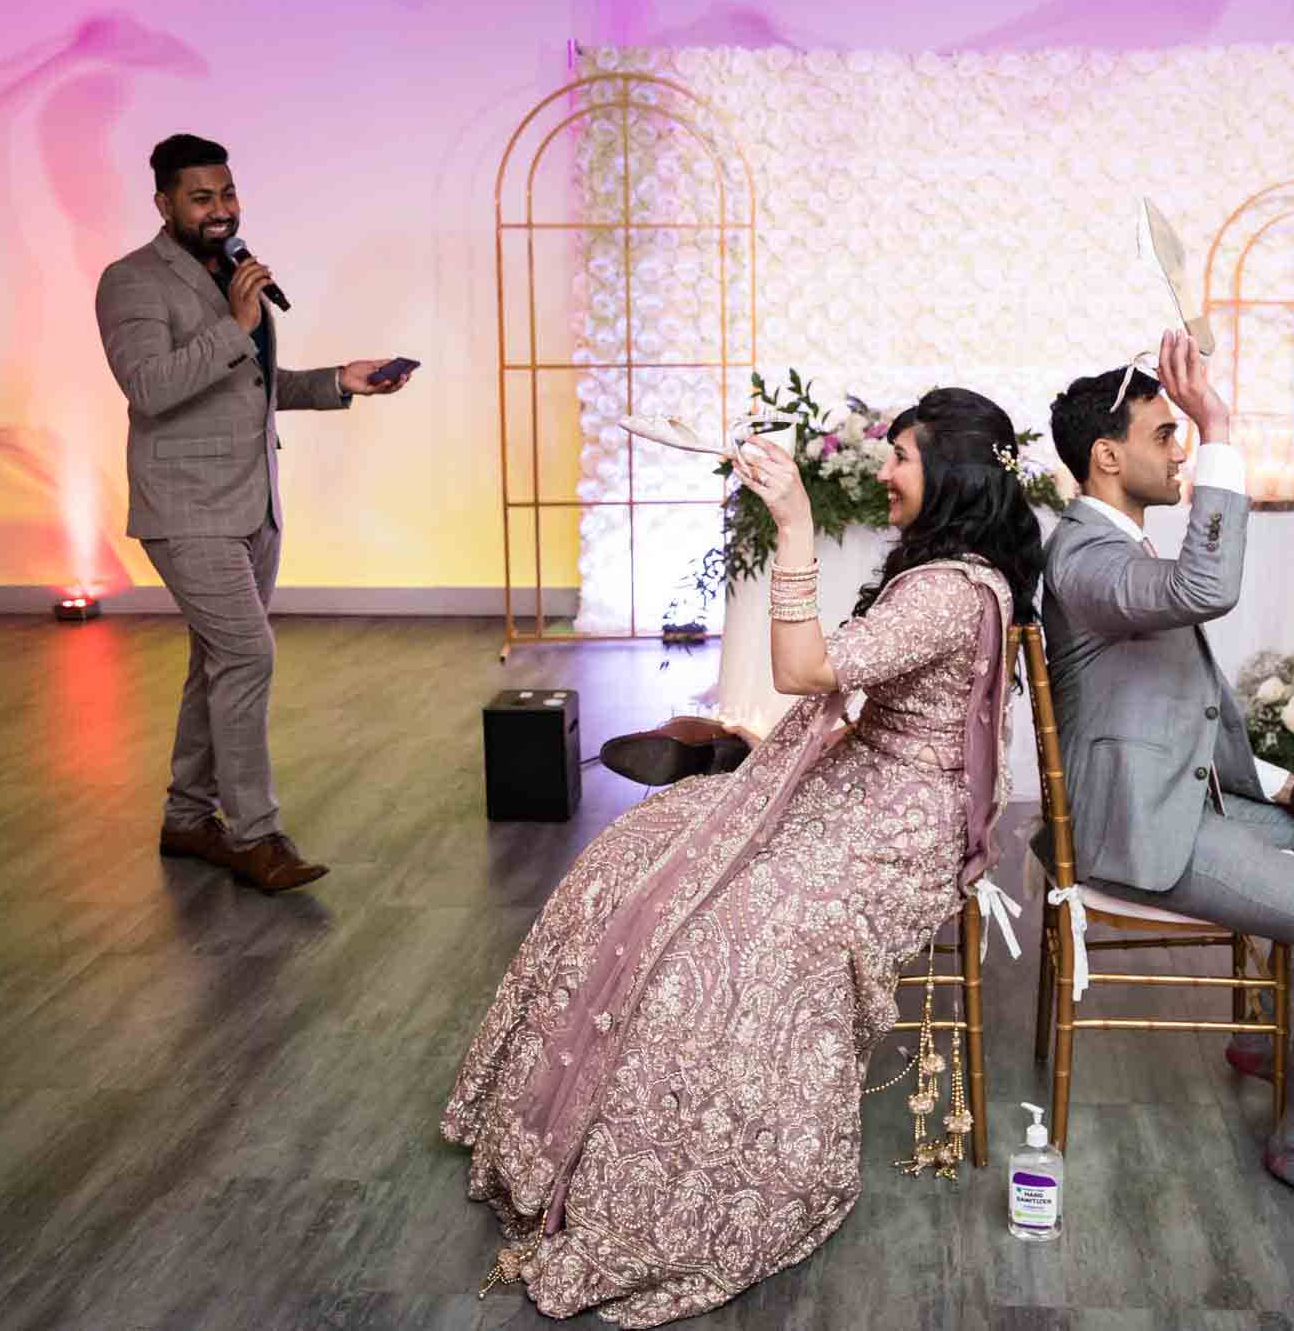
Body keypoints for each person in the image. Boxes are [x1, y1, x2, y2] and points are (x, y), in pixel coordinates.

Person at [443, 388, 1044, 1324]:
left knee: (727, 932)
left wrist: (797, 520)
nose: (885, 472)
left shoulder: (951, 591)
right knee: (640, 849)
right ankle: (565, 1125)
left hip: (895, 827)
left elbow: (804, 673)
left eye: (902, 459)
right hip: (858, 786)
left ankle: (675, 1181)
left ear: (954, 479)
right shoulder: (954, 574)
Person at [1039, 331, 1294, 1229]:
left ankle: (1272, 1035)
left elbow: (1189, 708)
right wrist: (1221, 424)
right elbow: (1208, 585)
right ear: (1107, 456)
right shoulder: (1086, 560)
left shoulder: (1118, 547)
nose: (1181, 451)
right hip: (1137, 830)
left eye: (1184, 435)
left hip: (1184, 798)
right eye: (1166, 435)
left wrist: (1293, 790)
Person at [93, 134, 412, 892]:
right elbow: (151, 385)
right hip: (186, 508)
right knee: (248, 654)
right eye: (201, 198)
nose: (220, 210)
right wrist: (234, 326)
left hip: (253, 502)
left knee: (217, 661)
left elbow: (251, 385)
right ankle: (258, 835)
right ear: (164, 203)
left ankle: (186, 817)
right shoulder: (131, 282)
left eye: (227, 193)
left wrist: (341, 379)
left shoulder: (233, 273)